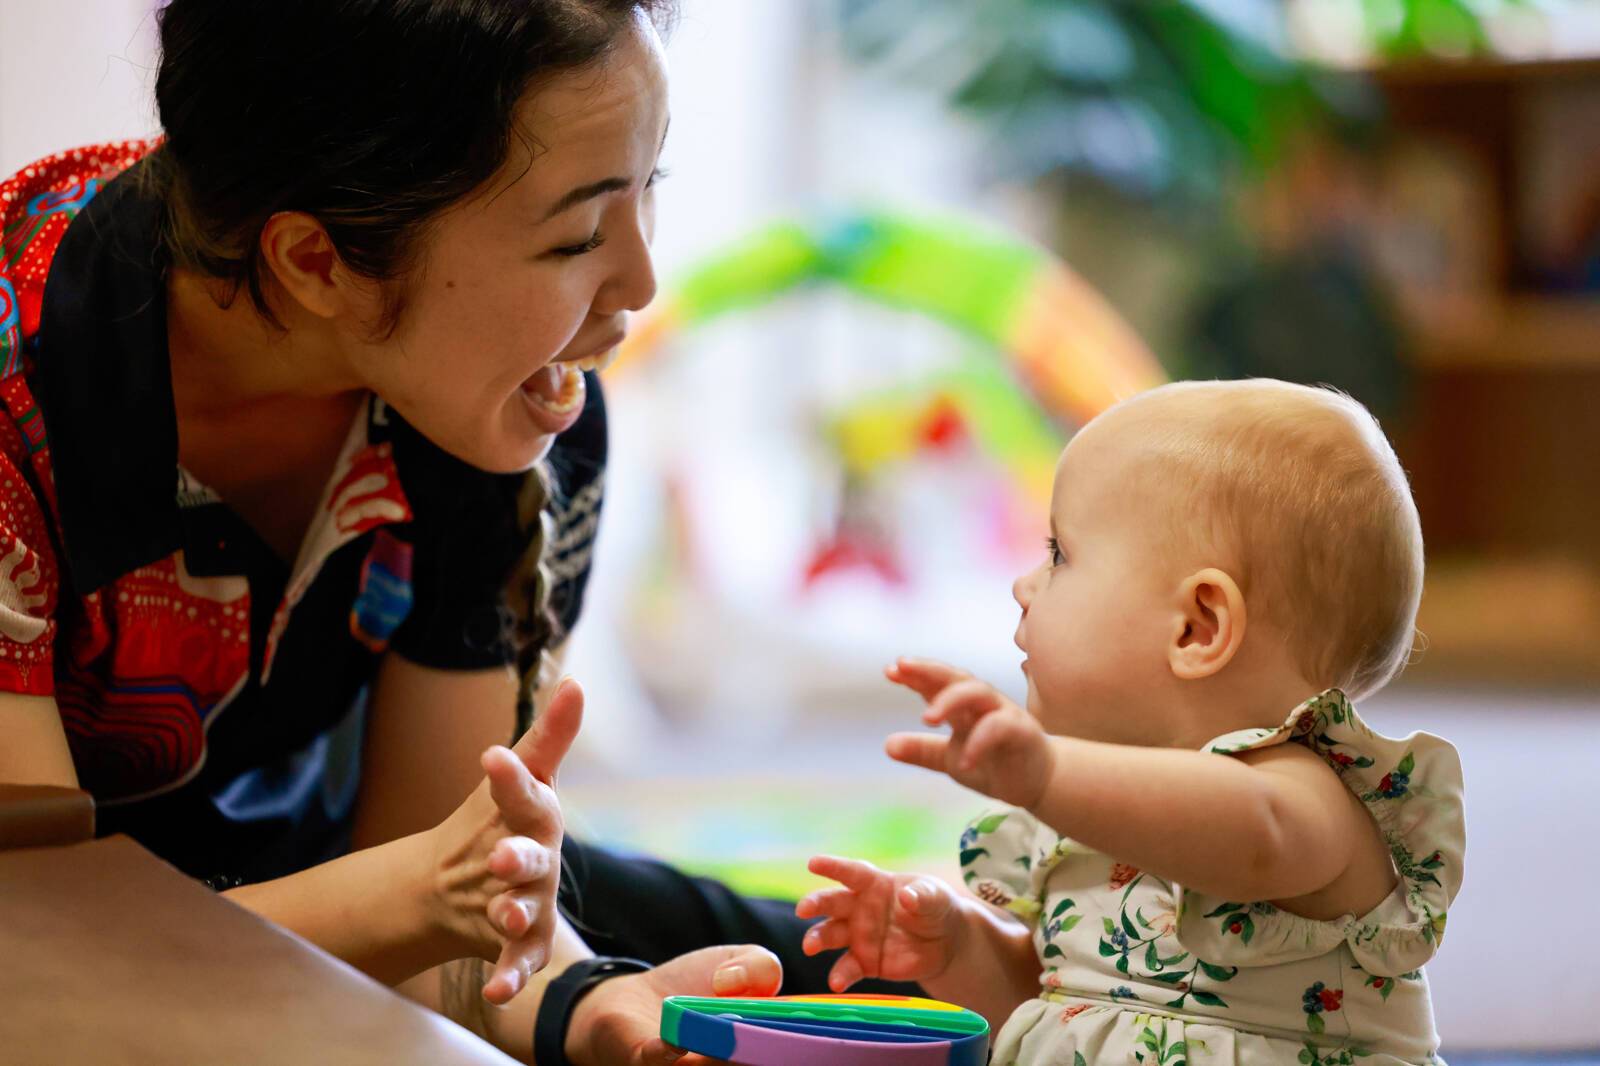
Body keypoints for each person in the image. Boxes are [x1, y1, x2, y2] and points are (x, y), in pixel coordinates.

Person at [0, 3, 868, 1062]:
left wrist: (580, 1002)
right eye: (580, 235)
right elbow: (31, 946)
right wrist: (437, 901)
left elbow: (442, 908)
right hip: (64, 942)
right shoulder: (22, 398)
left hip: (315, 878)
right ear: (318, 263)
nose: (642, 284)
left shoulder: (508, 406)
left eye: (651, 190)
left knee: (874, 963)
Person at [797, 380, 1466, 1065]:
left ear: (1196, 626)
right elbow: (1051, 1005)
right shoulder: (1079, 831)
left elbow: (1251, 838)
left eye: (1059, 553)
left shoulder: (1306, 794)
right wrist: (956, 946)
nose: (1023, 584)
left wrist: (1049, 774)